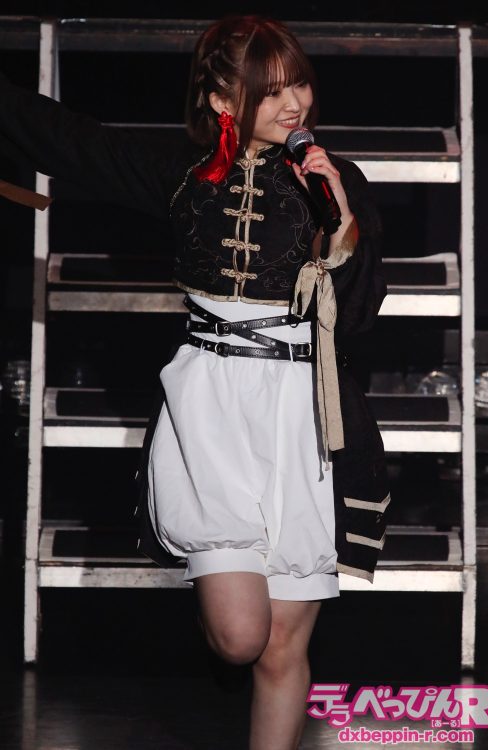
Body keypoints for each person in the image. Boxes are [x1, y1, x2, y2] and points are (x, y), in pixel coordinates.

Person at [0, 14, 390, 750]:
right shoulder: (182, 173)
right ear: (220, 100)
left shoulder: (334, 180)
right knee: (242, 637)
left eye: (299, 85)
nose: (294, 104)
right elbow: (70, 140)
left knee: (282, 646)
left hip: (301, 415)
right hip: (212, 409)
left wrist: (342, 228)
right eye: (270, 91)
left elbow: (363, 311)